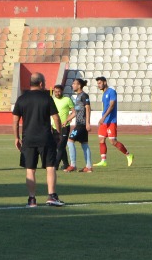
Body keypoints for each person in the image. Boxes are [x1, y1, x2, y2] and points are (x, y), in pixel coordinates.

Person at [11, 72, 65, 206]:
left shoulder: (21, 99)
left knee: (30, 169)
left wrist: (17, 138)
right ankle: (51, 196)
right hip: (46, 138)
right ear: (41, 83)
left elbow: (15, 121)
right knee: (50, 167)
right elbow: (56, 118)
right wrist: (58, 133)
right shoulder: (47, 98)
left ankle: (32, 199)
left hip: (28, 139)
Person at [94, 75, 132, 167]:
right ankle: (103, 161)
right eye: (97, 83)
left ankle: (128, 155)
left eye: (100, 83)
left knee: (113, 141)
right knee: (101, 139)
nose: (98, 85)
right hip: (104, 121)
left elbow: (112, 105)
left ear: (105, 82)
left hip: (111, 121)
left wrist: (104, 117)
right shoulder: (104, 94)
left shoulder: (111, 92)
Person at [68, 77, 93, 172]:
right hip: (79, 123)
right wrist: (67, 120)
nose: (72, 85)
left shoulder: (84, 95)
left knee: (70, 141)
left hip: (82, 124)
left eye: (74, 84)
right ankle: (88, 167)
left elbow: (88, 108)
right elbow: (75, 113)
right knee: (84, 144)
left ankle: (73, 165)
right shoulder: (78, 96)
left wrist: (87, 123)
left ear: (79, 85)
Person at [54, 85, 76, 171]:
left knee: (60, 146)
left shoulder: (67, 100)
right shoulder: (53, 100)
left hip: (64, 127)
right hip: (54, 127)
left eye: (59, 91)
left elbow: (74, 112)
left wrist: (68, 119)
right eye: (55, 92)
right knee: (60, 146)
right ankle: (66, 164)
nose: (57, 93)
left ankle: (55, 165)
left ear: (62, 91)